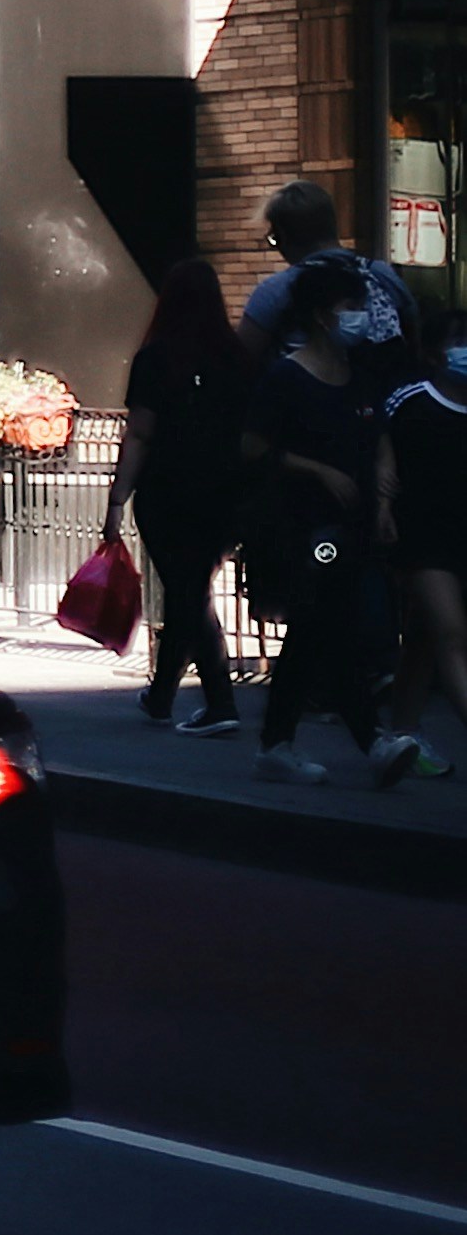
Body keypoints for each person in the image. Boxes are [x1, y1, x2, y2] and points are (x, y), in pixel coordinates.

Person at [235, 176, 422, 784]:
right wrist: (317, 470)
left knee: (319, 624)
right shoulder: (290, 381)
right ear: (321, 315)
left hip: (354, 514)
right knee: (328, 613)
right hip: (307, 520)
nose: (361, 318)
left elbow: (377, 438)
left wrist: (384, 491)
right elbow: (254, 446)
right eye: (349, 311)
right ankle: (371, 738)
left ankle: (279, 743)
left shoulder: (354, 377)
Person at [104, 256, 248, 732]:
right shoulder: (236, 356)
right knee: (192, 590)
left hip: (167, 489)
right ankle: (167, 696)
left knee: (186, 591)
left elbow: (141, 433)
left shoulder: (156, 357)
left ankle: (212, 702)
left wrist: (117, 498)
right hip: (224, 489)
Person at [382, 304, 467, 777]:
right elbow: (381, 452)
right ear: (435, 353)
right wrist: (382, 509)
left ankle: (401, 734)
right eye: (459, 341)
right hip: (423, 538)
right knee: (451, 634)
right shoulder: (411, 400)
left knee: (424, 638)